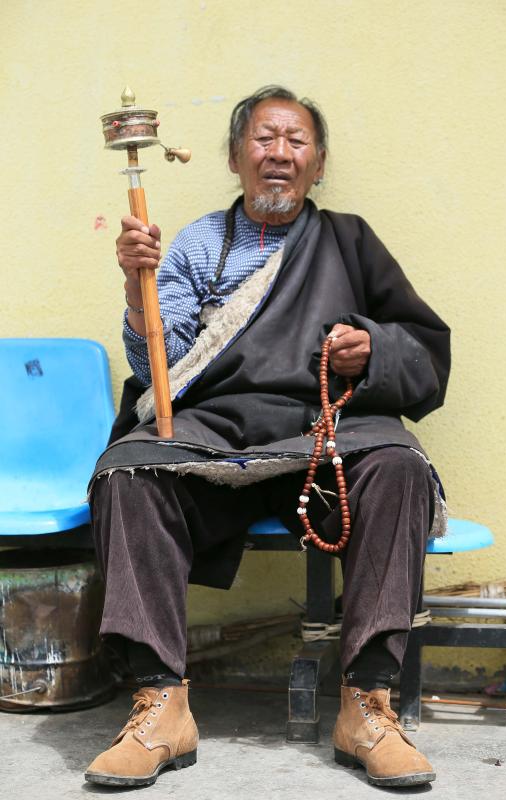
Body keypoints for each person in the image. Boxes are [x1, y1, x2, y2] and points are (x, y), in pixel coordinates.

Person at [85, 85, 450, 789]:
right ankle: (161, 704)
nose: (279, 153)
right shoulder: (197, 244)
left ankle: (366, 704)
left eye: (296, 140)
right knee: (127, 470)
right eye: (263, 138)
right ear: (235, 156)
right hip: (217, 426)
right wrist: (136, 288)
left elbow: (422, 346)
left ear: (318, 163)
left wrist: (371, 349)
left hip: (324, 426)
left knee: (399, 463)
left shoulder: (350, 241)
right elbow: (164, 368)